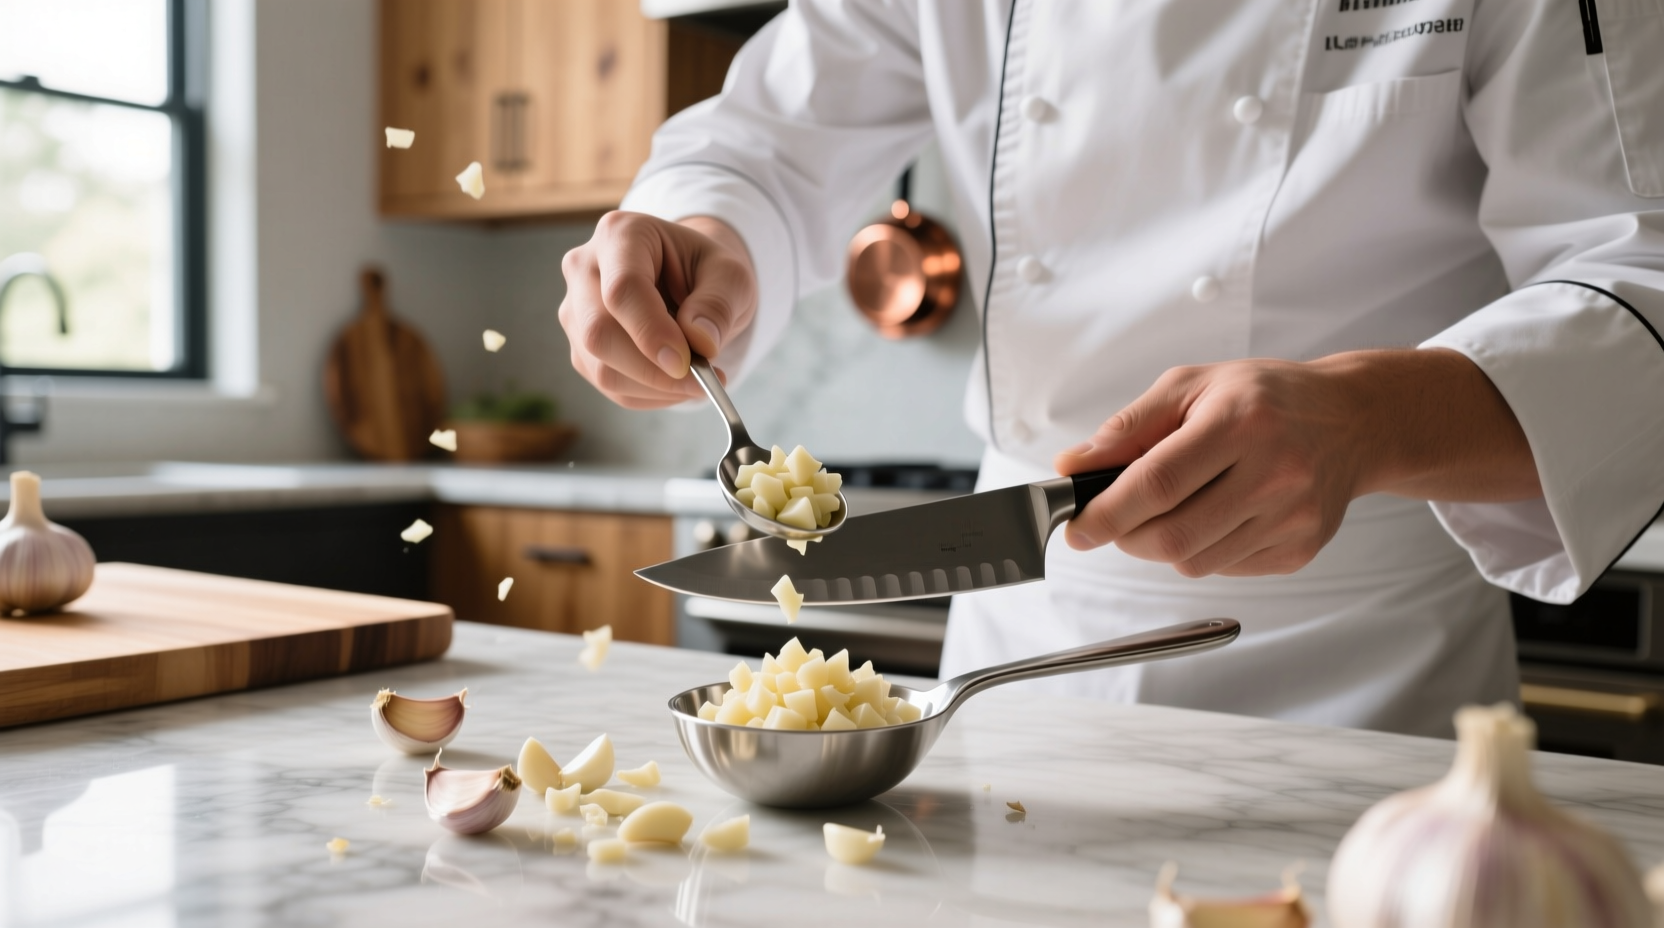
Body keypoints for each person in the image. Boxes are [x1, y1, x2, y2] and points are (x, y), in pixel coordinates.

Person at [557, 0, 1664, 736]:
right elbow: (764, 140)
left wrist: (1369, 420)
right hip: (1019, 656)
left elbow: (1640, 268)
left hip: (1358, 673)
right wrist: (696, 234)